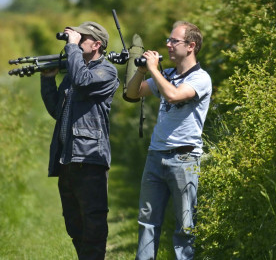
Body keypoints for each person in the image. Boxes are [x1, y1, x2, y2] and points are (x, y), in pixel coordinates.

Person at [124, 21, 212, 260]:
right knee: (147, 223)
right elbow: (132, 94)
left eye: (174, 41)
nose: (168, 45)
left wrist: (153, 69)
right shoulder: (168, 75)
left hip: (184, 158)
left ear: (191, 46)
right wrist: (141, 70)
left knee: (185, 228)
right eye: (169, 40)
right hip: (155, 156)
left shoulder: (201, 79)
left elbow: (173, 95)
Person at [40, 21, 120, 260]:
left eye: (80, 38)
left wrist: (72, 48)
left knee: (93, 224)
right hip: (67, 158)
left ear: (96, 44)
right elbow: (57, 110)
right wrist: (48, 80)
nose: (72, 41)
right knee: (74, 226)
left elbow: (83, 81)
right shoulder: (75, 71)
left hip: (89, 158)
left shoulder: (106, 71)